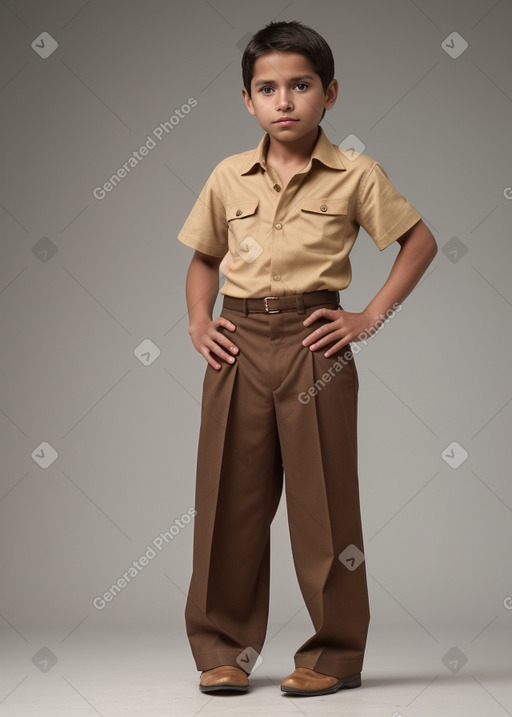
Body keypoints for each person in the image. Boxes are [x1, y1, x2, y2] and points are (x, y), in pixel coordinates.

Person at [177, 19, 437, 697]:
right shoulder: (228, 177)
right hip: (237, 344)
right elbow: (205, 258)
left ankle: (334, 652)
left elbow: (418, 242)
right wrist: (199, 320)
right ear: (247, 100)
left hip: (312, 344)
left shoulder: (356, 173)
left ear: (330, 93)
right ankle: (222, 649)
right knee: (228, 501)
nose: (284, 100)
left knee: (324, 504)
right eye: (268, 88)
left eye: (300, 85)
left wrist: (367, 316)